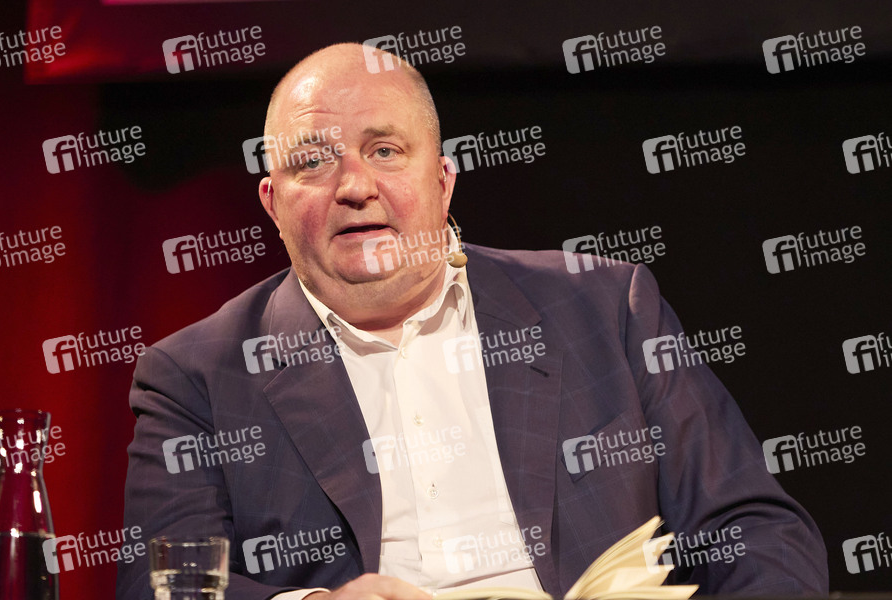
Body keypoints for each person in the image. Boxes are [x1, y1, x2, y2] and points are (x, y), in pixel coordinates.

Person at [116, 43, 828, 600]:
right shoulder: (196, 376)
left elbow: (754, 530)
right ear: (272, 203)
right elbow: (159, 585)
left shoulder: (607, 307)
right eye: (314, 162)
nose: (355, 186)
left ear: (443, 180)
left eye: (385, 151)